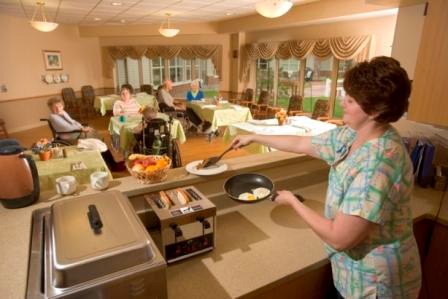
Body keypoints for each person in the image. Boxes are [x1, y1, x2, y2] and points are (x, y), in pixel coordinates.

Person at [231, 57, 421, 298]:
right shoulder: (352, 134)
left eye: (350, 100)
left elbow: (339, 238)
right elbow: (302, 142)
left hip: (374, 284)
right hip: (349, 273)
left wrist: (293, 201)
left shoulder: (380, 162)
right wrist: (256, 137)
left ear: (375, 110)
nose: (342, 102)